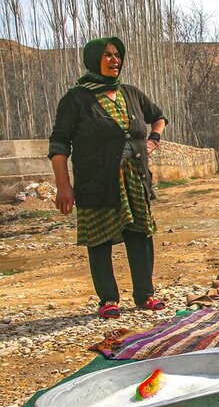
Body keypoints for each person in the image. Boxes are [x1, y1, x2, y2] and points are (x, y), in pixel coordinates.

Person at [48, 36, 168, 319]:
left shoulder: (131, 93)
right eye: (107, 55)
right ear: (93, 60)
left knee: (140, 235)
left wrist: (153, 140)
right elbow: (59, 145)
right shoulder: (76, 99)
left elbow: (159, 117)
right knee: (99, 239)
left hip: (134, 178)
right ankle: (108, 299)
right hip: (96, 181)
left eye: (117, 55)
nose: (115, 60)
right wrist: (63, 187)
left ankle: (145, 294)